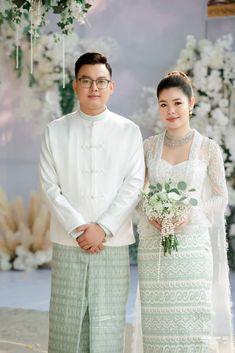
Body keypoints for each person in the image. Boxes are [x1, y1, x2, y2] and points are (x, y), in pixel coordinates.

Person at [39, 52, 145, 353]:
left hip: (112, 242)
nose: (94, 88)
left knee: (107, 321)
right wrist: (79, 227)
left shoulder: (128, 131)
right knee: (66, 321)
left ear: (112, 87)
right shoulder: (55, 131)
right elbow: (49, 186)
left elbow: (134, 184)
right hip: (67, 240)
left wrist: (104, 228)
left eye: (101, 81)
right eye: (87, 81)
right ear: (76, 86)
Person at [134, 71, 234, 353]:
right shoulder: (149, 146)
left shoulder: (208, 148)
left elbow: (220, 196)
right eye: (163, 104)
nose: (171, 110)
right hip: (155, 245)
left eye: (177, 103)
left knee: (193, 321)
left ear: (191, 103)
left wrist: (191, 213)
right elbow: (138, 192)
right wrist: (150, 210)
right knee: (158, 321)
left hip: (192, 246)